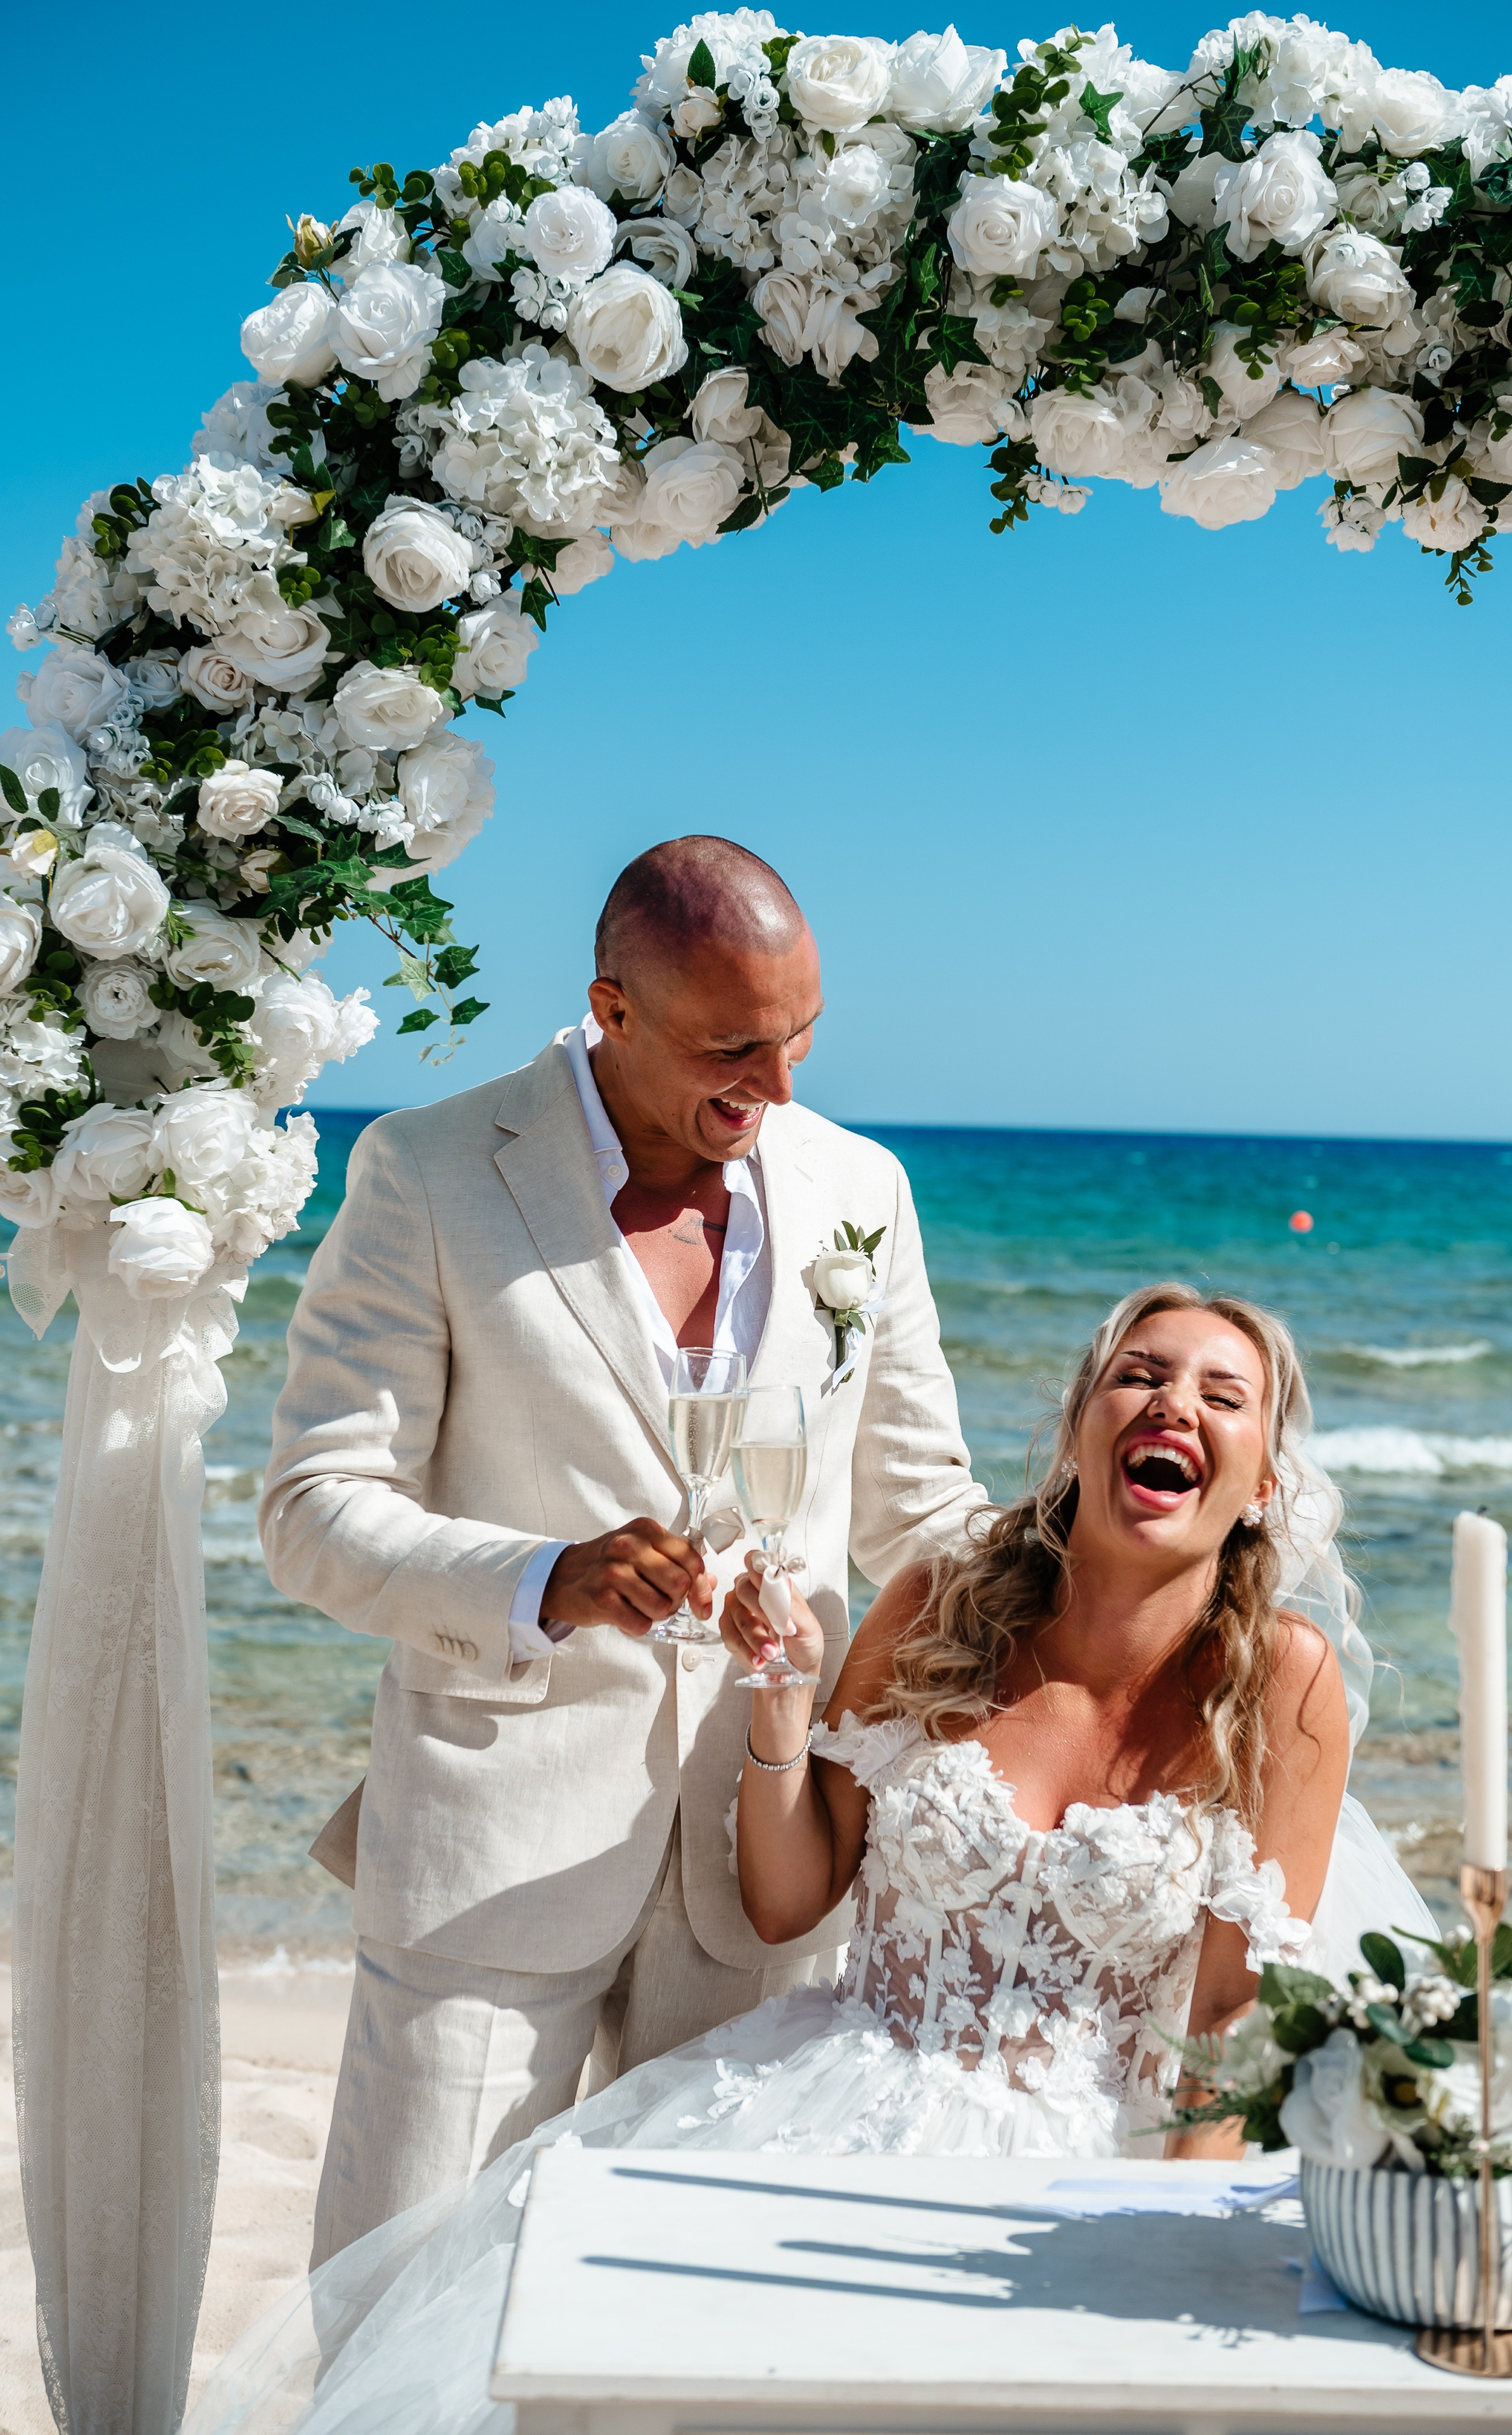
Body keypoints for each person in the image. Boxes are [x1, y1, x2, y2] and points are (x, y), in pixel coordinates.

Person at [189, 1282, 1436, 2434]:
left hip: (1092, 2153)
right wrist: (776, 1705)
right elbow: (787, 1901)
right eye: (1137, 1373)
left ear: (1262, 1477)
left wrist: (1174, 2237)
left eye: (1222, 1395)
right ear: (1075, 1428)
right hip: (839, 2090)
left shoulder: (1281, 1680)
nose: (1171, 1403)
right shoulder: (941, 1596)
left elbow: (1229, 2014)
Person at [259, 834, 987, 2265]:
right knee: (402, 2291)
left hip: (770, 1854)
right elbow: (314, 1504)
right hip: (491, 1847)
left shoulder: (860, 1189)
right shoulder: (425, 1170)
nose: (775, 1086)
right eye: (731, 1047)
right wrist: (540, 1576)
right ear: (611, 1009)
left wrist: (1109, 1599)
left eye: (799, 1037)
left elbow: (921, 1509)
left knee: (700, 2313)